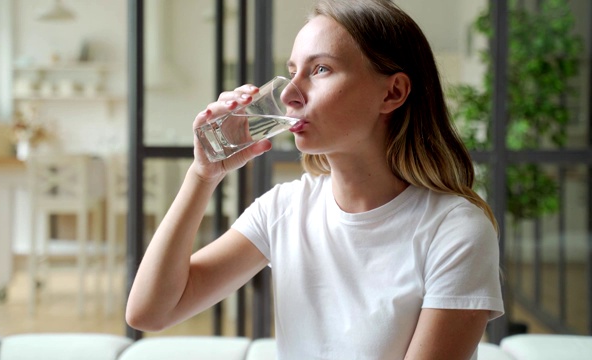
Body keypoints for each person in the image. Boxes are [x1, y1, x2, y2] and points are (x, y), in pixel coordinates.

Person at [126, 0, 504, 358]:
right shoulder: (284, 209)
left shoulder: (456, 230)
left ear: (393, 92)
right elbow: (150, 312)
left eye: (320, 69)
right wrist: (202, 174)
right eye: (292, 72)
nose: (289, 94)